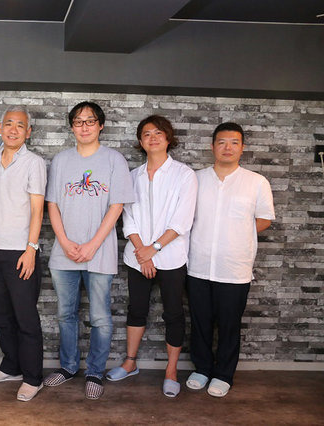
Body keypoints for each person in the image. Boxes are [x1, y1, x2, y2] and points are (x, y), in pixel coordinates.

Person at [43, 101, 134, 400]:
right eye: (78, 121)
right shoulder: (61, 161)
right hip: (64, 253)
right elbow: (52, 204)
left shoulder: (114, 160)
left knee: (100, 317)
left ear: (100, 125)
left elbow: (116, 206)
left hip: (100, 251)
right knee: (65, 314)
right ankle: (68, 367)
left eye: (90, 121)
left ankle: (95, 371)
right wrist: (64, 242)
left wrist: (93, 244)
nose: (84, 126)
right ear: (72, 127)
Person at [105, 115, 197, 398]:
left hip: (171, 258)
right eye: (146, 134)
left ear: (168, 138)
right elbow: (128, 219)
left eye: (158, 133)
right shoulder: (133, 176)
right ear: (140, 141)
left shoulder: (184, 175)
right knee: (136, 309)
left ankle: (171, 371)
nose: (153, 138)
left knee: (173, 313)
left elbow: (182, 221)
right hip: (138, 258)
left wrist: (153, 249)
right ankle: (130, 362)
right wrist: (143, 254)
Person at [186, 122, 275, 398]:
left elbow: (263, 219)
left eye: (234, 142)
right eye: (222, 142)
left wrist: (235, 234)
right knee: (200, 322)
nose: (228, 147)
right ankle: (202, 369)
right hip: (198, 265)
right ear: (212, 146)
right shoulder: (195, 179)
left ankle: (223, 374)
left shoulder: (256, 182)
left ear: (242, 147)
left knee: (229, 325)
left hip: (234, 268)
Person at [0, 106, 46, 402]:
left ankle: (33, 377)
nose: (13, 129)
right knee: (2, 314)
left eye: (20, 125)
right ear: (0, 128)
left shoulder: (34, 163)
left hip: (21, 251)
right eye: (8, 124)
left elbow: (37, 209)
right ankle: (11, 366)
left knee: (25, 317)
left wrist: (31, 249)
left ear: (28, 132)